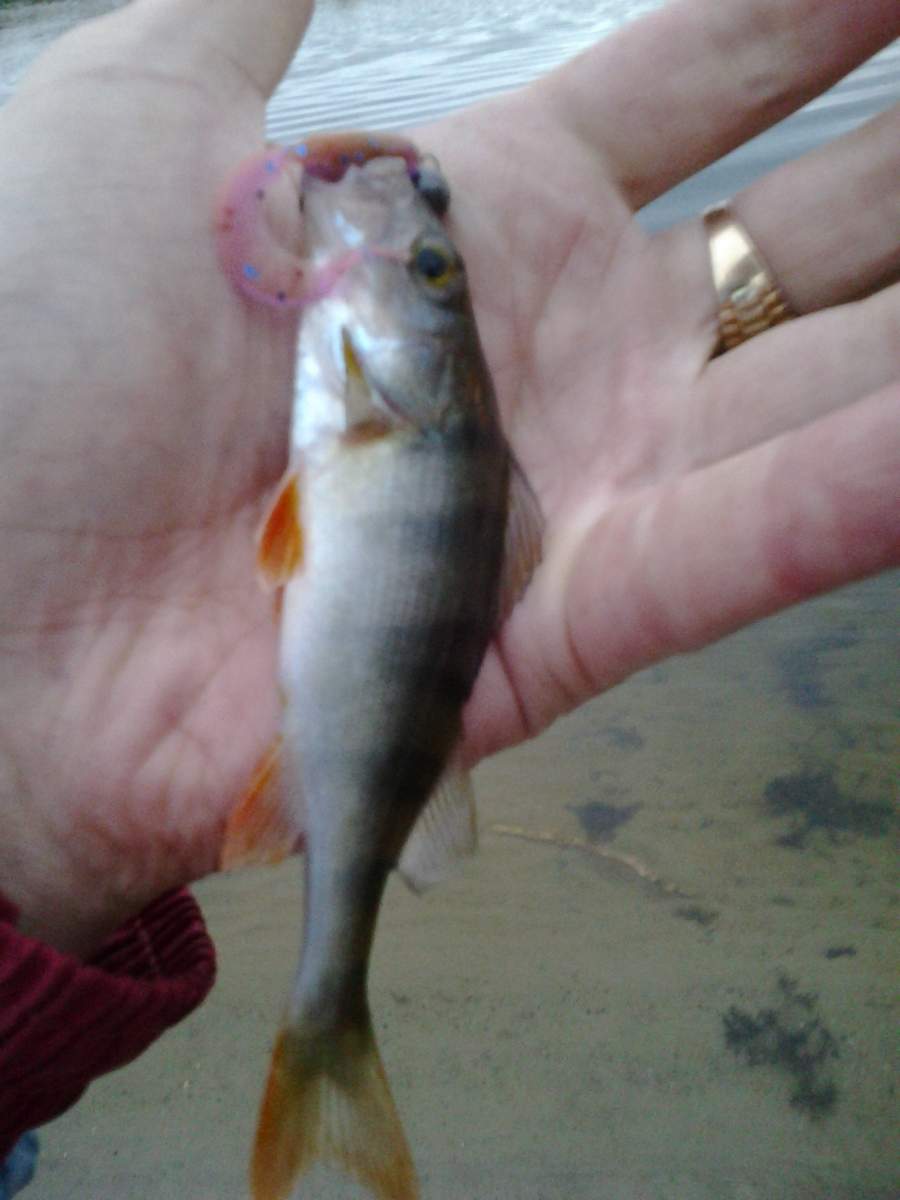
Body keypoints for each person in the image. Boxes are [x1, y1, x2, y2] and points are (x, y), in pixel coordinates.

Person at [0, 0, 897, 1186]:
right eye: (436, 265)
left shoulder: (382, 412)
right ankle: (330, 1026)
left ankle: (329, 1024)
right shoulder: (380, 410)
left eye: (429, 267)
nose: (411, 253)